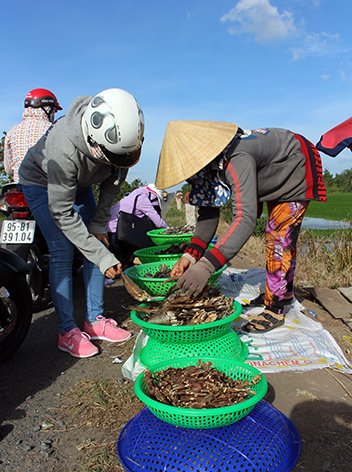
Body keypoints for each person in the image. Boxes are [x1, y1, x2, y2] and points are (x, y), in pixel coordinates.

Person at [156, 121, 327, 333]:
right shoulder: (206, 170)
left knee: (278, 235)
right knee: (273, 234)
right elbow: (208, 212)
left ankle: (276, 306)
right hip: (266, 176)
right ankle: (278, 291)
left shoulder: (236, 157)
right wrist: (191, 256)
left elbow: (244, 218)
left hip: (295, 163)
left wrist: (206, 266)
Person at [18, 88, 145, 358]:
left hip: (81, 182)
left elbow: (113, 183)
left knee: (99, 242)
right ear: (93, 141)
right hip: (43, 183)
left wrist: (99, 226)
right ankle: (67, 331)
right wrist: (102, 257)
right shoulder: (63, 149)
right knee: (63, 250)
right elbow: (62, 213)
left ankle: (95, 319)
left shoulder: (123, 137)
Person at [4, 88, 62, 182]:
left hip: (19, 187)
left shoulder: (12, 132)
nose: (53, 114)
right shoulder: (54, 130)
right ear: (47, 109)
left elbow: (8, 169)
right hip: (46, 187)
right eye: (54, 111)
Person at [106, 183, 167, 270]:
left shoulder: (138, 193)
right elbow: (158, 221)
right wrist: (169, 230)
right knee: (119, 259)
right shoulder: (142, 199)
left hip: (112, 227)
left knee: (122, 258)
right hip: (115, 230)